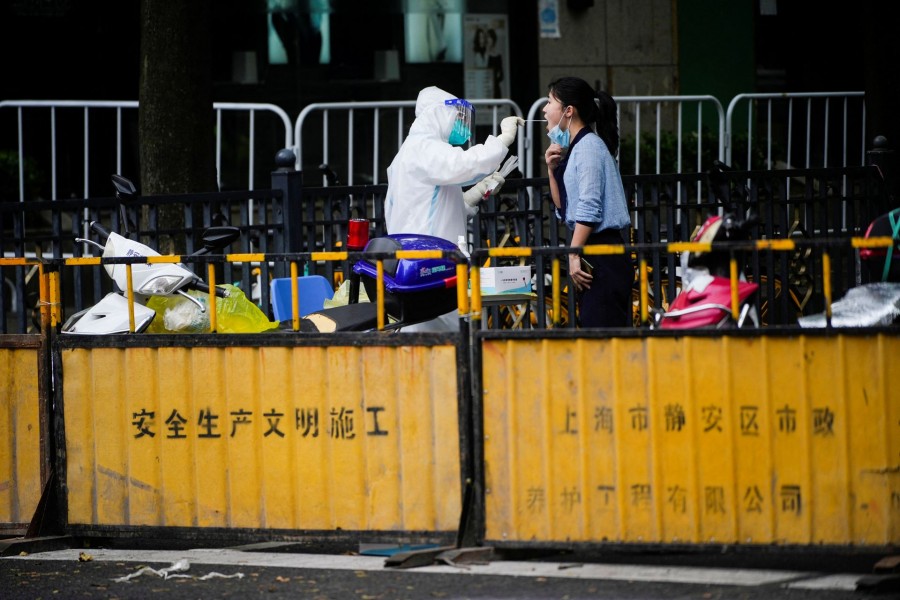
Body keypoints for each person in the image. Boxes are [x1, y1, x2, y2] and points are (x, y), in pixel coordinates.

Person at [384, 85, 523, 331]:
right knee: (434, 341)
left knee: (437, 339)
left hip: (426, 264)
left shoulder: (416, 152)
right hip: (427, 265)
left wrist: (476, 194)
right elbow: (466, 164)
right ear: (438, 114)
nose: (461, 124)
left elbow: (438, 207)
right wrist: (503, 140)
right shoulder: (423, 149)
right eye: (457, 117)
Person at [543, 77, 632, 327]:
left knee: (602, 339)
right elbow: (565, 208)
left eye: (550, 101)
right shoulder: (578, 148)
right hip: (594, 253)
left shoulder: (589, 148)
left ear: (568, 111)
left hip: (603, 256)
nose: (544, 109)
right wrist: (552, 171)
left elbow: (590, 208)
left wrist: (573, 254)